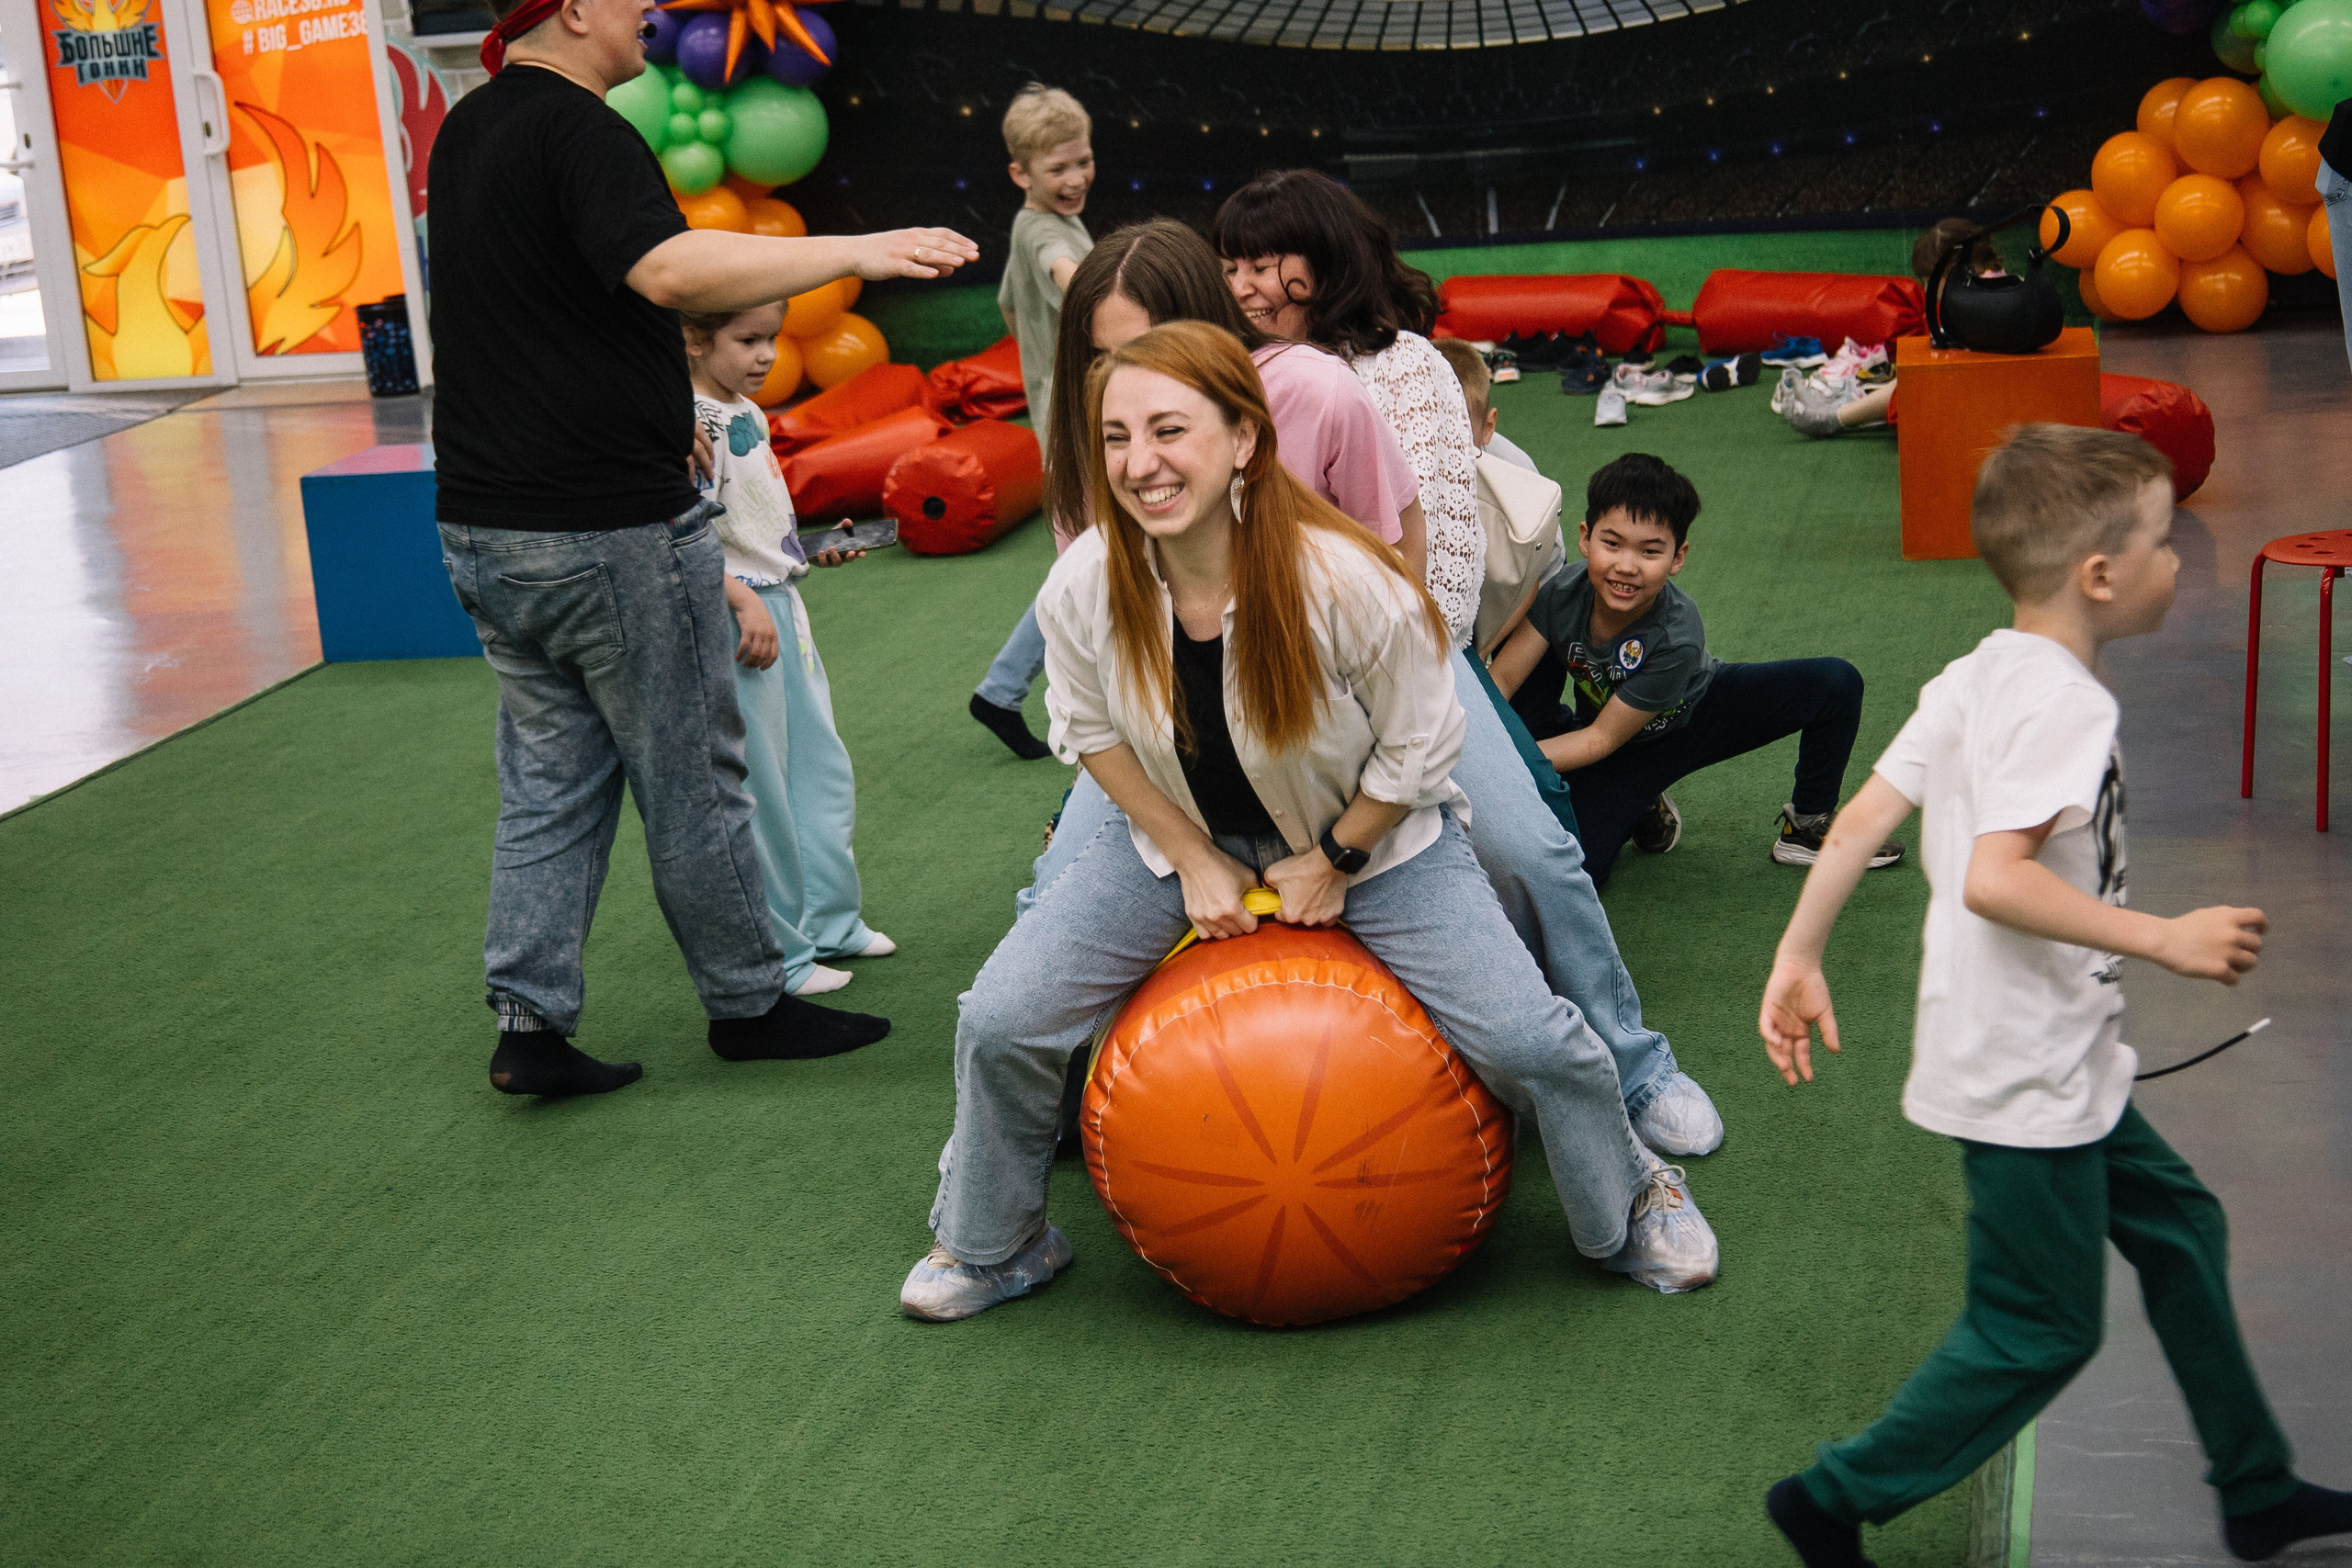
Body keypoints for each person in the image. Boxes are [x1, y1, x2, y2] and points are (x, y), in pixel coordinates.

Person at [899, 321, 1719, 1322]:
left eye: (1169, 430)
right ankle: (995, 1243)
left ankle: (1633, 1198)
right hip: (1173, 845)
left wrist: (1334, 857)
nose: (1141, 463)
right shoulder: (1087, 579)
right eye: (1116, 438)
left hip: (1378, 844)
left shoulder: (1340, 572)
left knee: (1533, 1041)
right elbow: (1084, 729)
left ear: (1243, 436)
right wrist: (1194, 856)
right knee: (998, 1019)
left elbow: (1424, 744)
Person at [1756, 423, 2352, 1568]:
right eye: (2161, 539)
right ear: (2099, 576)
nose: (2179, 558)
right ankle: (1832, 1496)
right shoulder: (2065, 707)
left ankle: (2255, 1487)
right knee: (2039, 1328)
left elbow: (1869, 817)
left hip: (2057, 1053)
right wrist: (2161, 937)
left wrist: (1800, 955)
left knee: (2180, 1225)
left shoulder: (1976, 672)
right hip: (2022, 1073)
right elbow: (1995, 877)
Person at [1026, 221, 1721, 1159]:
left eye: (1155, 342)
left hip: (1371, 669)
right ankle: (1047, 1114)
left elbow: (1401, 546)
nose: (1134, 377)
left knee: (1527, 849)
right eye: (1106, 358)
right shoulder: (1093, 442)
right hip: (1184, 702)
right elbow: (1101, 630)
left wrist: (1379, 708)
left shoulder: (1310, 391)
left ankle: (1631, 1066)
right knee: (1054, 885)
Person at [430, 0, 973, 1095]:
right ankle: (749, 999)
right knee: (694, 773)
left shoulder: (469, 126)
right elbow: (668, 273)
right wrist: (863, 247)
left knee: (549, 784)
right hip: (605, 529)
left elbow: (549, 312)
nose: (654, 13)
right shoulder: (584, 129)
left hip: (486, 524)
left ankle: (528, 1025)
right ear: (576, 9)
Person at [1213, 177, 1725, 1153]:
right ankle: (1069, 1104)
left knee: (1534, 852)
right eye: (1228, 262)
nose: (1242, 283)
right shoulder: (1216, 369)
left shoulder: (1405, 368)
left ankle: (1634, 1065)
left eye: (1264, 261)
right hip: (1250, 679)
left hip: (1407, 663)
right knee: (1097, 848)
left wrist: (1363, 697)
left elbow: (1442, 569)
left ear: (1327, 258)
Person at [1490, 454, 1903, 888]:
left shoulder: (1678, 634)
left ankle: (1807, 828)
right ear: (1585, 538)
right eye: (1612, 544)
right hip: (1608, 731)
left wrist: (1507, 762)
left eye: (1650, 551)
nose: (1627, 565)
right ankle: (1640, 801)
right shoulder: (1561, 592)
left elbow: (1600, 740)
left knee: (1835, 683)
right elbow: (1501, 682)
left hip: (1690, 720)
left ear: (1678, 557)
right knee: (1580, 862)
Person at [684, 302, 895, 998]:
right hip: (737, 618)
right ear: (693, 337)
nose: (767, 354)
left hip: (781, 603)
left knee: (819, 765)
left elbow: (748, 523)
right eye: (746, 339)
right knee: (762, 785)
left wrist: (804, 550)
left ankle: (831, 919)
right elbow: (677, 533)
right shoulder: (687, 426)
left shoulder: (748, 410)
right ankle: (784, 952)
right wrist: (737, 595)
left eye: (770, 338)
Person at [967, 85, 1098, 761]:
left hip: (1070, 419)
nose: (1075, 178)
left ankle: (1001, 688)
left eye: (1083, 161)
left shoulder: (1033, 224)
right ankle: (1006, 686)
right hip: (1085, 427)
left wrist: (1042, 369)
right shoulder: (1045, 231)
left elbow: (1010, 309)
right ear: (1022, 174)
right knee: (1095, 567)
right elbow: (1071, 280)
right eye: (1058, 169)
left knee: (1094, 563)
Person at [1780, 219, 2000, 440]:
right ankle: (1842, 411)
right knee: (1912, 380)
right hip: (1976, 397)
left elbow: (1923, 382)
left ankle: (1838, 415)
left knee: (1910, 395)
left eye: (1930, 280)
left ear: (1957, 269)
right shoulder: (1990, 290)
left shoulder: (1975, 307)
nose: (1926, 290)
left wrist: (1838, 417)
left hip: (1976, 408)